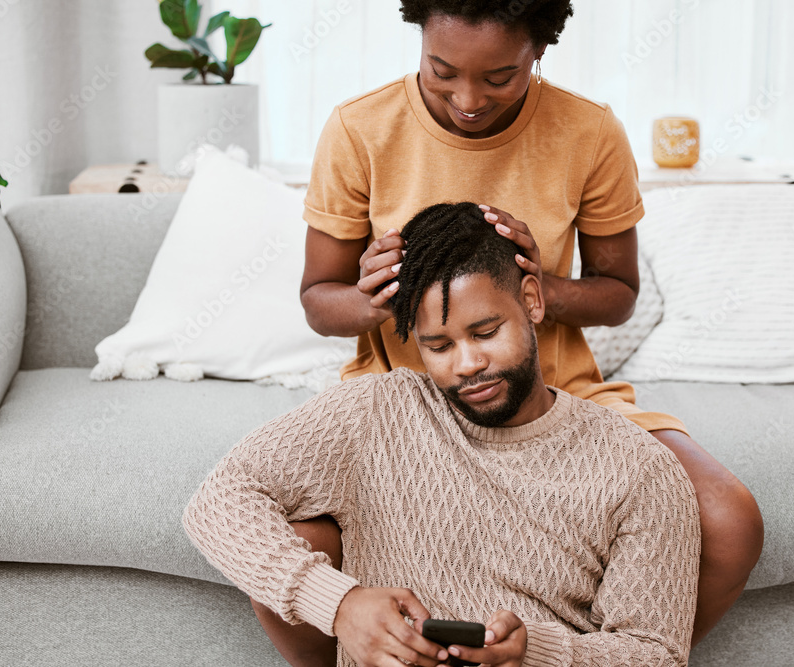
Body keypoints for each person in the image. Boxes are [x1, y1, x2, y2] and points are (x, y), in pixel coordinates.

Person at [297, 0, 762, 651]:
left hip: (554, 388)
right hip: (407, 397)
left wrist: (536, 280)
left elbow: (618, 293)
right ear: (420, 43)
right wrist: (376, 300)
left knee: (729, 518)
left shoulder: (588, 131)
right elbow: (319, 299)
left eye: (499, 77)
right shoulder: (359, 128)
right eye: (442, 71)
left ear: (538, 52)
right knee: (295, 548)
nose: (467, 99)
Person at [184, 203, 701, 667]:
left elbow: (654, 653)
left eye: (485, 332)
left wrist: (536, 654)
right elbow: (219, 498)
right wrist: (338, 605)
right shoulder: (377, 411)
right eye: (439, 345)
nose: (469, 364)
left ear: (531, 301)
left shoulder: (639, 467)